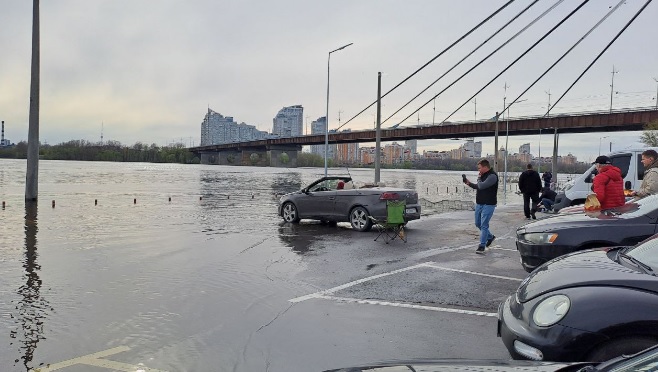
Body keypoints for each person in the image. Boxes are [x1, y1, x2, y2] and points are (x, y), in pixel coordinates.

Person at [463, 159, 498, 254]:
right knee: (478, 223)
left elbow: (482, 186)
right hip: (479, 203)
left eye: (479, 168)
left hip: (489, 204)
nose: (478, 170)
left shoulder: (492, 176)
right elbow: (478, 186)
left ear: (485, 167)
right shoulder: (482, 175)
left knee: (484, 224)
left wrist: (478, 178)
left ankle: (482, 245)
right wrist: (468, 183)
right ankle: (490, 237)